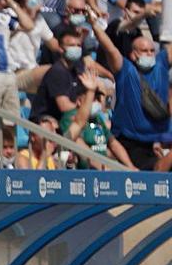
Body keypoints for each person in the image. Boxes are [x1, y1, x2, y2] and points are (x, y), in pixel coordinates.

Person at [93, 13, 170, 170]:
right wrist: (94, 25)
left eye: (151, 51)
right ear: (133, 54)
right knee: (157, 170)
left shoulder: (161, 64)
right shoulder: (126, 70)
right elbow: (110, 48)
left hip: (157, 141)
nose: (149, 54)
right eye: (144, 51)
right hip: (130, 143)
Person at [30, 27, 88, 122]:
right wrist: (86, 109)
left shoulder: (76, 70)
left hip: (66, 119)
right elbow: (64, 106)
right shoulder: (57, 71)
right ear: (60, 48)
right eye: (72, 45)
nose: (76, 49)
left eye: (78, 45)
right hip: (45, 123)